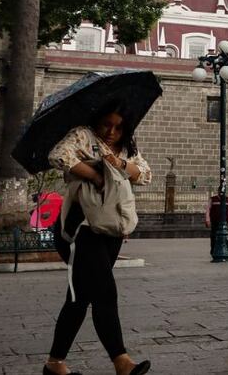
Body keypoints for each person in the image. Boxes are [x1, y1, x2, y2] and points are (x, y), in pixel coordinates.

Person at [44, 103, 152, 375]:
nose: (111, 132)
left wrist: (121, 165)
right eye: (106, 124)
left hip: (111, 232)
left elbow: (145, 175)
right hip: (81, 228)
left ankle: (54, 364)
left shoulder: (128, 148)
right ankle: (121, 361)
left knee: (79, 298)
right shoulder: (83, 136)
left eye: (118, 127)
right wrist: (95, 174)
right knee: (105, 291)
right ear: (97, 121)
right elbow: (58, 155)